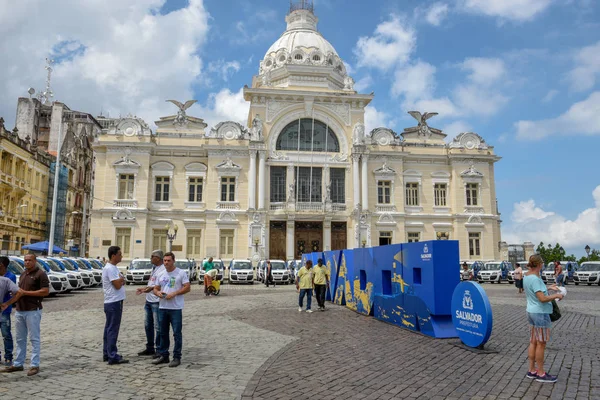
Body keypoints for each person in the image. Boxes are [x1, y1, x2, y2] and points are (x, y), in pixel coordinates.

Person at [1, 253, 49, 376]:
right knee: (20, 339)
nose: (27, 262)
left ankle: (34, 364)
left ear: (35, 261)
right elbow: (19, 293)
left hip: (33, 310)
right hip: (19, 310)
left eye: (29, 260)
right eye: (25, 260)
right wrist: (8, 303)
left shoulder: (40, 274)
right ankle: (18, 363)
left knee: (34, 338)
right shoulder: (23, 274)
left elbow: (45, 291)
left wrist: (26, 292)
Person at [523, 254, 564, 383]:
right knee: (541, 343)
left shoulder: (527, 276)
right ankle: (541, 373)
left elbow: (535, 290)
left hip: (530, 311)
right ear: (539, 264)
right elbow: (542, 298)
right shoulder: (535, 278)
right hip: (540, 313)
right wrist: (556, 295)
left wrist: (548, 287)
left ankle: (532, 370)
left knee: (533, 341)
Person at [152, 252, 191, 368]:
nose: (166, 263)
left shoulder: (180, 273)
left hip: (175, 308)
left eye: (168, 260)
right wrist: (158, 293)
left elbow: (187, 287)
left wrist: (174, 293)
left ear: (173, 261)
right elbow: (156, 288)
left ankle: (176, 357)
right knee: (163, 333)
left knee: (177, 333)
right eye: (164, 260)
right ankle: (164, 355)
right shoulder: (161, 274)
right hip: (163, 307)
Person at [102, 246, 128, 365]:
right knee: (112, 328)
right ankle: (112, 355)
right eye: (120, 254)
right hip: (114, 301)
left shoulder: (113, 268)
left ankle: (107, 353)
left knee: (109, 328)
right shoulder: (111, 268)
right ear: (113, 256)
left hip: (112, 301)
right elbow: (117, 284)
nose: (121, 256)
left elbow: (121, 280)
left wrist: (121, 279)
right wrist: (121, 280)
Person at [136, 250, 165, 357]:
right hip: (149, 300)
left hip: (157, 301)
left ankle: (159, 349)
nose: (150, 258)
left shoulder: (163, 269)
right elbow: (152, 283)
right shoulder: (154, 268)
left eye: (152, 256)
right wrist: (144, 289)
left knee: (158, 326)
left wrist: (149, 289)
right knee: (148, 325)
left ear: (158, 258)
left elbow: (161, 285)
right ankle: (150, 347)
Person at [0, 256, 16, 366]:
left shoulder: (10, 276)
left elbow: (11, 292)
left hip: (4, 310)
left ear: (3, 265)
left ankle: (8, 356)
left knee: (6, 334)